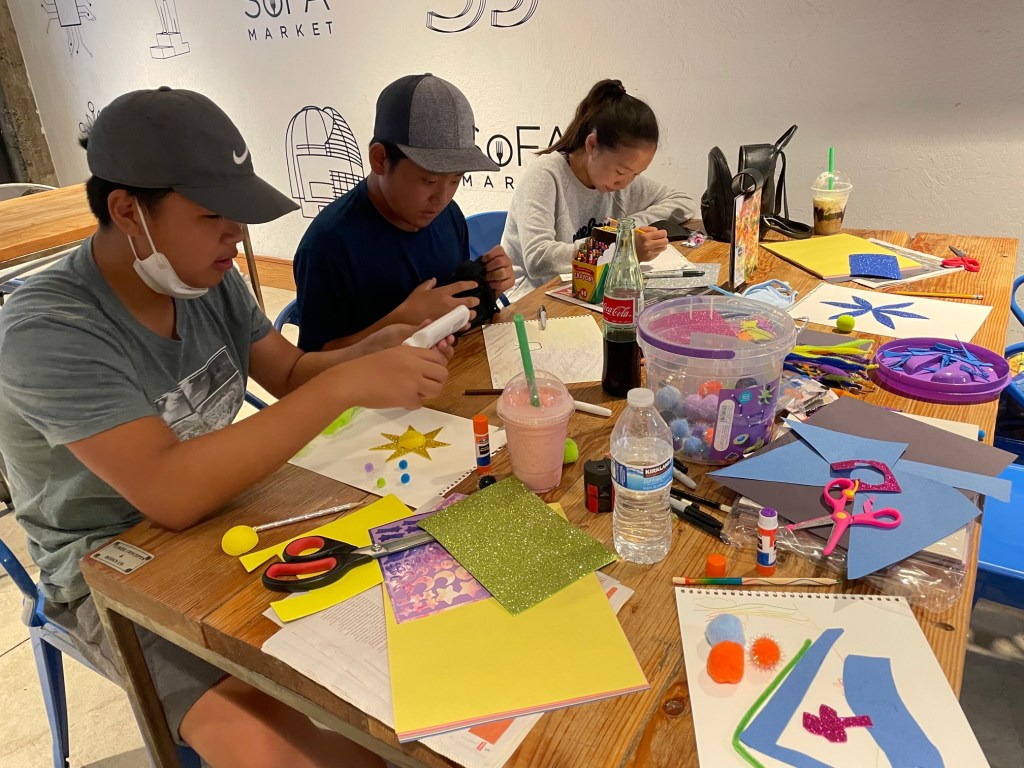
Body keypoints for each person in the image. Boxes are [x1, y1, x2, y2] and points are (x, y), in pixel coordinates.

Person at [0, 87, 455, 768]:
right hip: (111, 562)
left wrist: (372, 349)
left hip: (230, 508)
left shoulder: (202, 278)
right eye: (213, 214)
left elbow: (290, 373)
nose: (236, 236)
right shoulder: (49, 329)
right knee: (285, 750)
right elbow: (170, 491)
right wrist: (344, 384)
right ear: (127, 211)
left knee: (422, 646)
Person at [292, 73, 515, 352]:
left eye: (456, 179)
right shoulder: (329, 245)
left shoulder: (448, 216)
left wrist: (488, 284)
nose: (442, 198)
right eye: (429, 180)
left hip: (448, 367)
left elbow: (452, 310)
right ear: (380, 159)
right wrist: (400, 322)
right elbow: (313, 364)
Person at [502, 79, 698, 302]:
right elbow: (539, 259)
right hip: (531, 299)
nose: (625, 183)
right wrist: (621, 245)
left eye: (636, 174)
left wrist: (628, 228)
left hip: (587, 290)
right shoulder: (546, 175)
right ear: (592, 145)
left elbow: (682, 202)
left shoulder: (618, 181)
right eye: (621, 171)